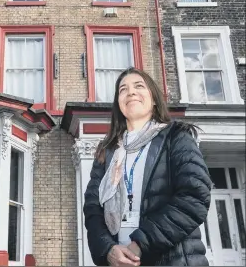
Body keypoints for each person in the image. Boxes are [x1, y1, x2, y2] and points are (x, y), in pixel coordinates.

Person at [83, 67, 212, 266]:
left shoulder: (176, 137)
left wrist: (140, 244)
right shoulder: (107, 151)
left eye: (139, 86)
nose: (131, 92)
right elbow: (92, 209)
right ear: (119, 103)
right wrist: (107, 249)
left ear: (153, 99)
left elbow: (194, 198)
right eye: (123, 90)